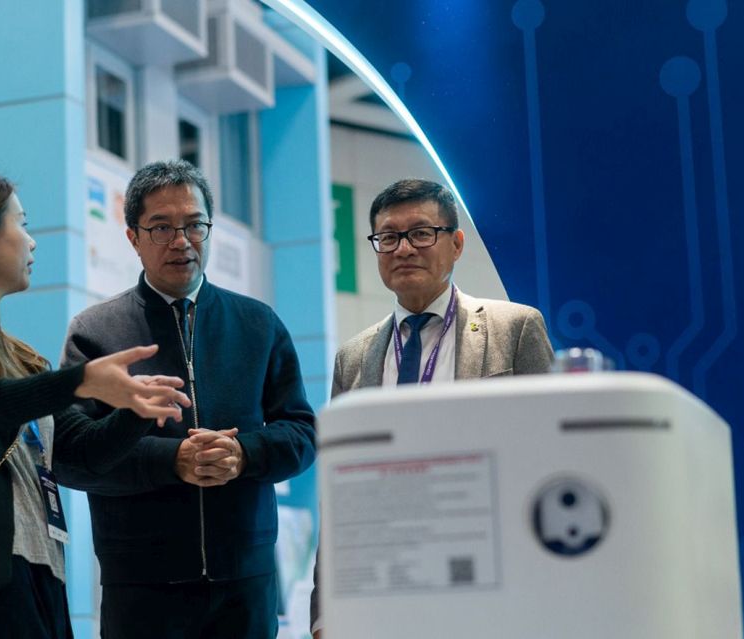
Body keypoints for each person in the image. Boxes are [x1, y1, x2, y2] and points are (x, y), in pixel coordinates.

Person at [0, 169, 191, 638]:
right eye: (21, 223)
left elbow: (81, 451)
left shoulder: (19, 357)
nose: (32, 242)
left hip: (37, 572)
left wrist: (136, 409)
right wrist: (79, 381)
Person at [57, 159, 317, 639]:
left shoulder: (258, 324)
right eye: (161, 228)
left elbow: (302, 433)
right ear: (133, 237)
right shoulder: (95, 333)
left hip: (246, 583)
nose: (181, 241)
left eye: (195, 224)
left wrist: (244, 455)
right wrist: (170, 460)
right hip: (141, 587)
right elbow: (71, 456)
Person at [309, 178, 554, 637]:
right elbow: (339, 490)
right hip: (386, 585)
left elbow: (550, 461)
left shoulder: (515, 329)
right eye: (388, 237)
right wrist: (326, 610)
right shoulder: (354, 357)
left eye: (422, 233)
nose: (404, 249)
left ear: (456, 243)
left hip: (491, 583)